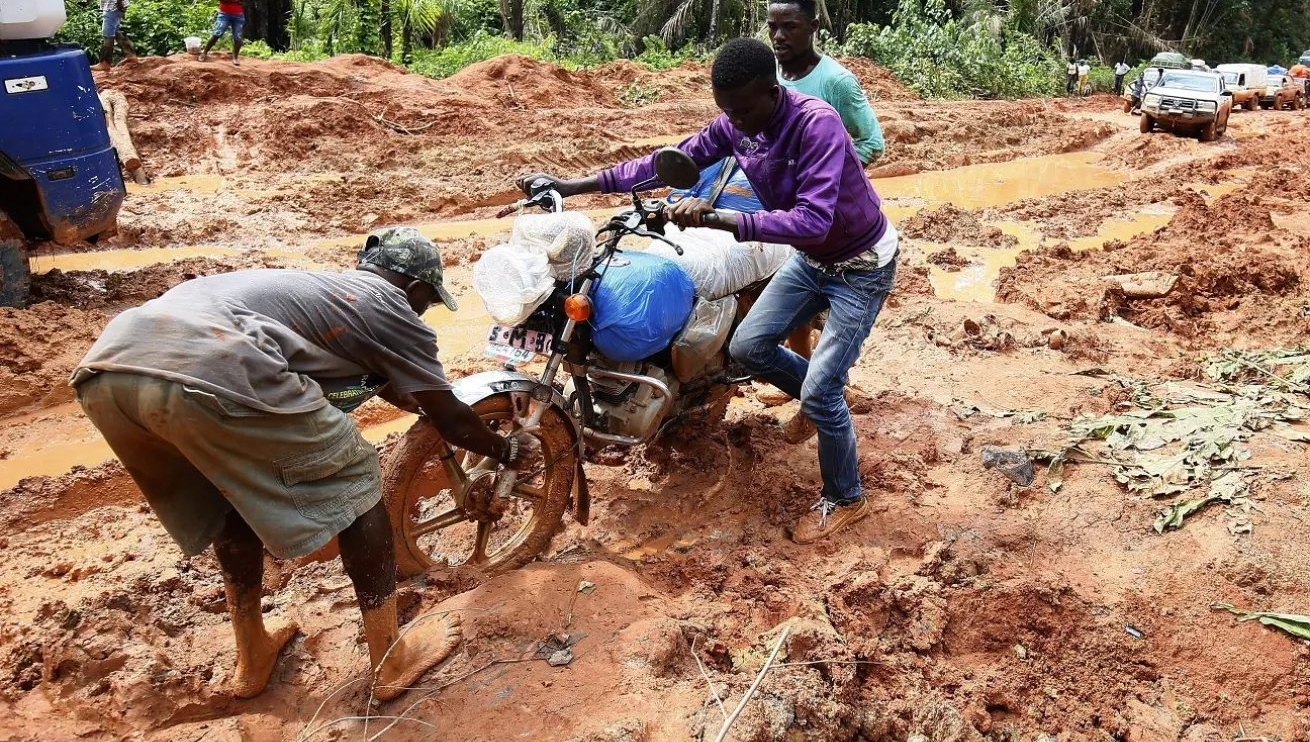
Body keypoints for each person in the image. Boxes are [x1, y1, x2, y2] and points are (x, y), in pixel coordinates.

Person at [70, 228, 540, 699]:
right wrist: (506, 450)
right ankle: (391, 659)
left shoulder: (319, 292)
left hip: (109, 374)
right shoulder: (390, 305)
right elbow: (453, 420)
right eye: (426, 302)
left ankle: (252, 655)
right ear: (417, 288)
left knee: (226, 498)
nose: (421, 311)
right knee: (359, 484)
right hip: (212, 368)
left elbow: (367, 383)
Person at [516, 39, 898, 544]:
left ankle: (846, 497)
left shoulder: (816, 124)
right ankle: (820, 395)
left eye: (742, 109)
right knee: (748, 348)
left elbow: (813, 218)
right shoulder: (734, 124)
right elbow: (661, 164)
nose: (733, 121)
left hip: (859, 265)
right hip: (812, 260)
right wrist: (571, 186)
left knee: (823, 390)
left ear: (771, 90)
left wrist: (720, 217)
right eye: (725, 111)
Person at [767, 0, 884, 165]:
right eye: (773, 27)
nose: (779, 36)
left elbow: (871, 143)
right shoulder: (765, 73)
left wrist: (828, 179)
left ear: (813, 26)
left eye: (790, 27)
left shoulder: (836, 81)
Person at [201, 0, 245, 65]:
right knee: (217, 34)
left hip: (238, 15)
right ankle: (204, 52)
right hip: (224, 14)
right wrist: (235, 1)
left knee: (238, 37)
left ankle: (235, 58)